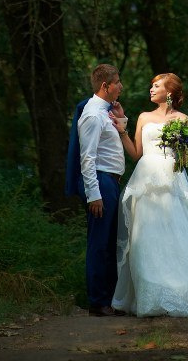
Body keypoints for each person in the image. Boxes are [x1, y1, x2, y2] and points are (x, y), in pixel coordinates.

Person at [111, 72, 188, 319]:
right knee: (145, 234)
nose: (151, 90)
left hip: (171, 180)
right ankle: (150, 294)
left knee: (175, 232)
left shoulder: (183, 119)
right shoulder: (143, 117)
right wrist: (122, 130)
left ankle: (183, 290)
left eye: (156, 86)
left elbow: (183, 159)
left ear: (169, 92)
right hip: (146, 180)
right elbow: (136, 154)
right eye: (152, 86)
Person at [73, 64, 128, 317]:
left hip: (110, 182)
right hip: (101, 182)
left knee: (108, 242)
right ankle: (97, 301)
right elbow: (88, 158)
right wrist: (93, 194)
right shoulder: (93, 115)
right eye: (117, 82)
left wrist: (120, 117)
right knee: (99, 243)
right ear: (105, 85)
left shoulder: (105, 112)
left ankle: (110, 298)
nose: (121, 86)